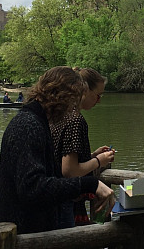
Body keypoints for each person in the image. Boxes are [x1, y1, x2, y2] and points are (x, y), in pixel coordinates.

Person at [0, 66, 113, 234]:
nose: (73, 108)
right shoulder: (28, 126)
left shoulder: (34, 122)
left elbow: (48, 175)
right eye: (74, 100)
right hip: (24, 235)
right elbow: (33, 188)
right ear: (63, 97)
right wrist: (89, 183)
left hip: (28, 231)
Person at [51, 67, 115, 227]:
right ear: (84, 89)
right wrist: (100, 161)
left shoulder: (59, 114)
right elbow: (69, 171)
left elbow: (64, 157)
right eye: (98, 95)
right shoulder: (75, 120)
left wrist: (92, 155)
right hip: (67, 202)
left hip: (54, 198)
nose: (99, 101)